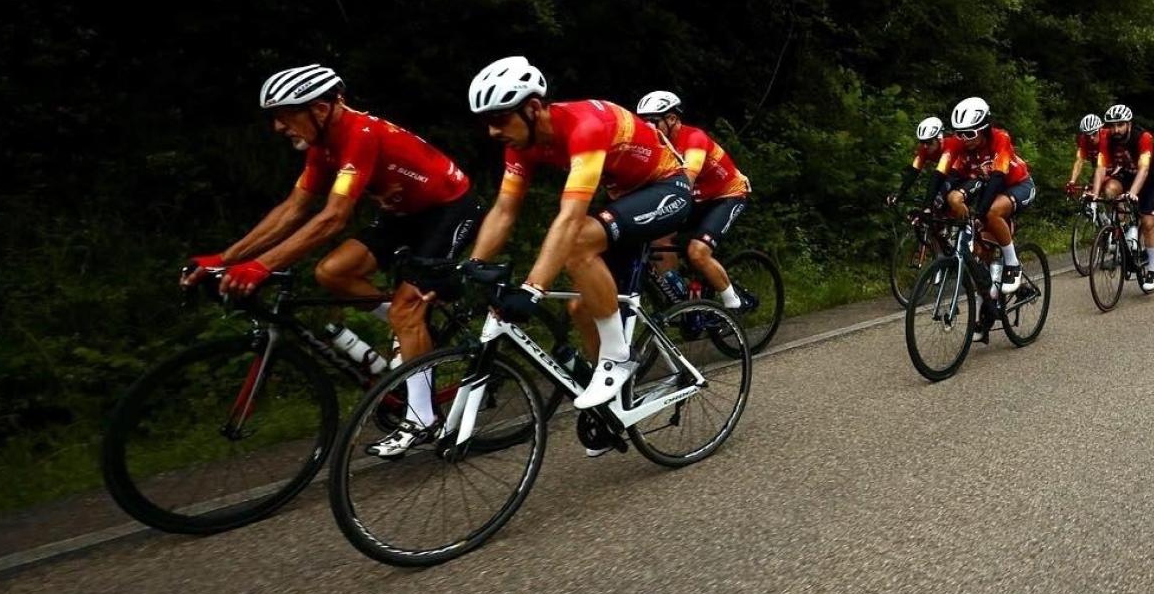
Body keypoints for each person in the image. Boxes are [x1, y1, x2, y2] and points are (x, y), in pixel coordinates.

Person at [185, 65, 482, 458]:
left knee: (406, 309)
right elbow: (294, 209)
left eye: (284, 114)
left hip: (449, 209)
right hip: (403, 215)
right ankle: (412, 323)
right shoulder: (322, 146)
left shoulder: (358, 135)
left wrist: (262, 266)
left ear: (321, 108)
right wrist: (224, 259)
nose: (277, 126)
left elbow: (333, 218)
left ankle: (423, 416)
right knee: (332, 272)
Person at [465, 56, 692, 430]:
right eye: (486, 122)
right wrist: (471, 267)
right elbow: (504, 209)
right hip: (625, 197)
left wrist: (532, 289)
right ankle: (616, 408)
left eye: (498, 119)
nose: (491, 132)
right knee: (580, 309)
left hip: (667, 188)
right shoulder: (519, 144)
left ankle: (617, 358)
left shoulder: (584, 127)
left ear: (533, 108)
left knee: (577, 242)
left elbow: (570, 218)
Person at [635, 91, 752, 310]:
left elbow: (688, 177)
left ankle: (735, 303)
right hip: (696, 200)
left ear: (672, 119)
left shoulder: (693, 138)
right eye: (643, 122)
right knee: (658, 242)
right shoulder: (657, 144)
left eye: (653, 121)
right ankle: (682, 302)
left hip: (726, 195)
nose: (647, 128)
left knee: (698, 252)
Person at [935, 96, 1036, 335]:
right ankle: (988, 310)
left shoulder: (1000, 138)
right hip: (990, 190)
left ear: (984, 128)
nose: (963, 139)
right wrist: (934, 206)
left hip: (1017, 185)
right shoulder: (962, 146)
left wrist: (979, 213)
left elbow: (998, 178)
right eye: (959, 134)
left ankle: (1013, 264)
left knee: (991, 212)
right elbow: (950, 179)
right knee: (980, 252)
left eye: (969, 133)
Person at [1087, 104, 1154, 291]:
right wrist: (1095, 195)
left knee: (1149, 223)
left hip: (1150, 177)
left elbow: (1144, 168)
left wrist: (1133, 193)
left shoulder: (1142, 138)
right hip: (1127, 174)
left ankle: (1152, 269)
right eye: (1112, 126)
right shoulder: (1107, 138)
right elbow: (1101, 167)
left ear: (1128, 124)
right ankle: (1128, 229)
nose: (1115, 130)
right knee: (1110, 189)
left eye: (1120, 125)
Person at [891, 116, 947, 208]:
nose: (925, 146)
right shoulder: (923, 149)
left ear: (939, 138)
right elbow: (913, 172)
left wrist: (927, 206)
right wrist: (899, 194)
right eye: (922, 142)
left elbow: (937, 176)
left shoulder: (949, 147)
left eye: (928, 142)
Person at [1063, 113, 1104, 196]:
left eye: (1094, 133)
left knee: (1111, 192)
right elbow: (1079, 161)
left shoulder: (1107, 136)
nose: (1091, 138)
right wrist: (1072, 181)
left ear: (1100, 129)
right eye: (1088, 135)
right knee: (1088, 195)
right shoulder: (1084, 140)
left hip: (1113, 169)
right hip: (1097, 170)